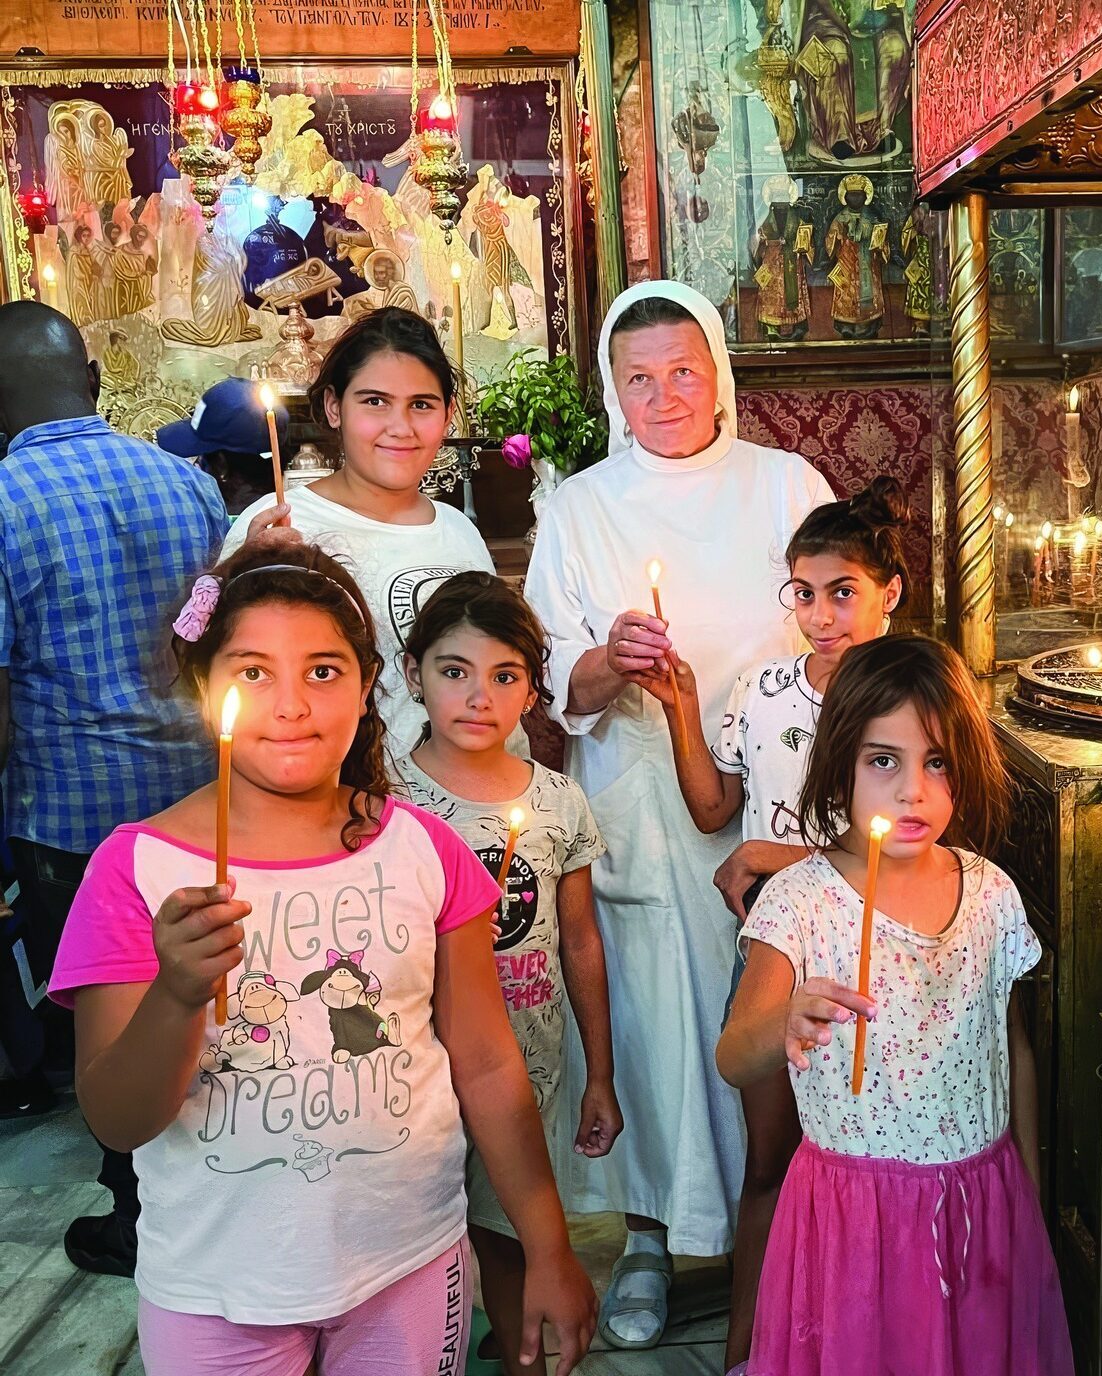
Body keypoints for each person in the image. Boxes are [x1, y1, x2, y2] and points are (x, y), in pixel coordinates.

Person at [47, 542, 596, 1376]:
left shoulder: (425, 850)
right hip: (213, 1285)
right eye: (253, 672)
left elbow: (487, 1064)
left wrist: (547, 1244)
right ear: (203, 686)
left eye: (324, 671)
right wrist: (177, 995)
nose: (292, 705)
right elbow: (118, 1121)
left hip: (410, 1261)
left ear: (369, 680)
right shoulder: (136, 870)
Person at [521, 280, 834, 1349]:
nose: (664, 396)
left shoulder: (784, 482)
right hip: (646, 799)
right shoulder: (580, 506)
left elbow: (837, 616)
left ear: (718, 375)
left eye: (683, 371)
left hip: (780, 795)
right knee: (655, 1014)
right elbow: (556, 676)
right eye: (639, 378)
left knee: (782, 1009)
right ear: (613, 390)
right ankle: (650, 1234)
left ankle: (785, 1234)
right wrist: (612, 659)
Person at [717, 635, 1073, 1376]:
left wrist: (1029, 1196)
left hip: (983, 1202)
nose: (913, 790)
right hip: (855, 1222)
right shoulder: (800, 902)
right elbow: (734, 1055)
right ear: (839, 764)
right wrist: (785, 1023)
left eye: (936, 762)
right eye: (884, 760)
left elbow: (1012, 1048)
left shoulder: (990, 892)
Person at [639, 477, 909, 1367]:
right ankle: (747, 1350)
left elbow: (918, 851)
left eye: (843, 592)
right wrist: (680, 706)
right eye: (804, 592)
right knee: (769, 1160)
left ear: (888, 593)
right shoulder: (762, 690)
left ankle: (857, 1342)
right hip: (774, 955)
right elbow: (713, 809)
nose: (821, 616)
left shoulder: (909, 699)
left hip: (880, 958)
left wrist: (773, 855)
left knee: (867, 1164)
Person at [0, 301, 227, 1280]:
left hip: (70, 813)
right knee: (204, 1001)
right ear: (91, 381)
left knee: (106, 1020)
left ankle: (140, 1214)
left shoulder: (3, 501)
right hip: (195, 799)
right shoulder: (187, 482)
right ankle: (214, 1193)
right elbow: (217, 638)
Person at [396, 572, 622, 1373]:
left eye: (504, 677)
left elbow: (580, 943)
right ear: (413, 672)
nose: (477, 697)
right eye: (453, 671)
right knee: (417, 1252)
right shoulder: (383, 801)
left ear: (532, 690)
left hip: (529, 1070)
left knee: (511, 1241)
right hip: (414, 1074)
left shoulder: (558, 802)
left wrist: (600, 1076)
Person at [222, 307, 497, 757]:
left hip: (472, 786)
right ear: (335, 407)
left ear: (448, 414)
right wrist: (247, 573)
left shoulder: (459, 530)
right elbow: (231, 678)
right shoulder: (284, 523)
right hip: (346, 789)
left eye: (421, 405)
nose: (400, 428)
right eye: (374, 402)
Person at [157, 375, 289, 516]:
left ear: (221, 465)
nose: (196, 466)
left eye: (200, 458)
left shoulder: (209, 521)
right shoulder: (292, 512)